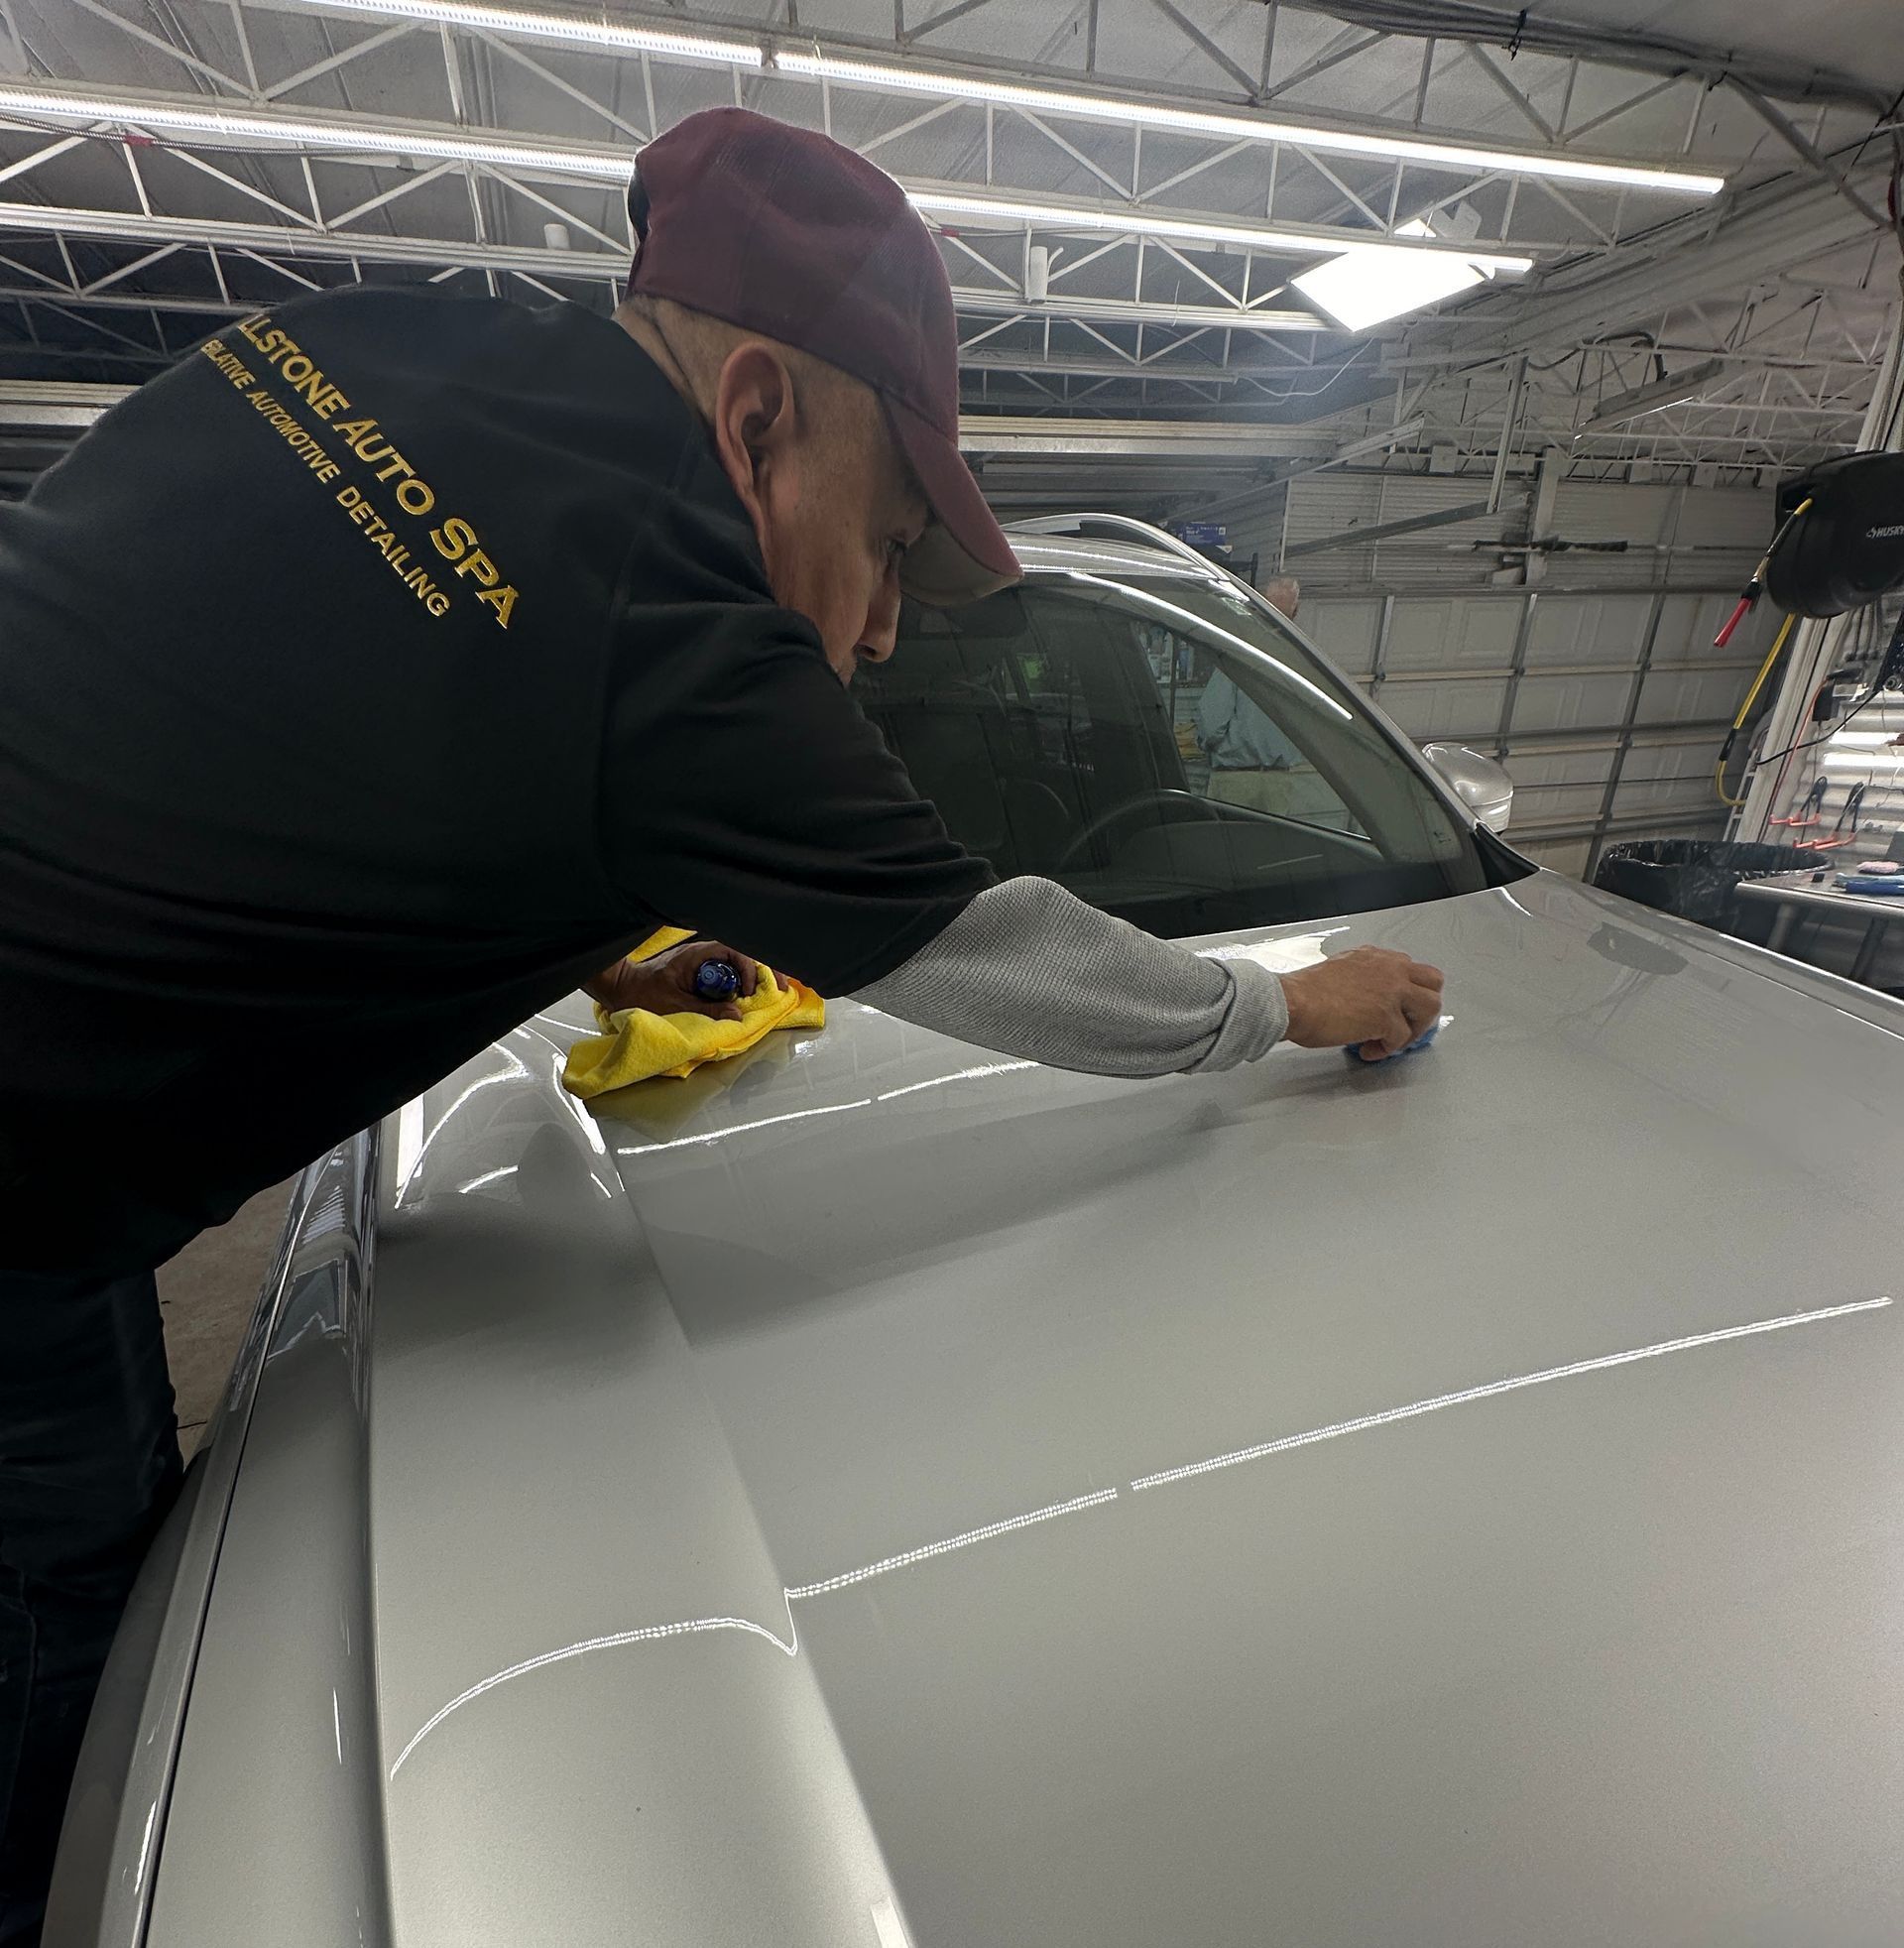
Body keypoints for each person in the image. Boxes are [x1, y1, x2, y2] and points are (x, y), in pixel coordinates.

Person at [0, 108, 1441, 1939]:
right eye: (896, 538)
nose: (893, 627)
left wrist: (573, 938)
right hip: (18, 1209)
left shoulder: (384, 335)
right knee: (65, 1697)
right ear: (758, 415)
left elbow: (293, 703)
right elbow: (985, 943)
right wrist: (1284, 999)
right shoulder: (680, 628)